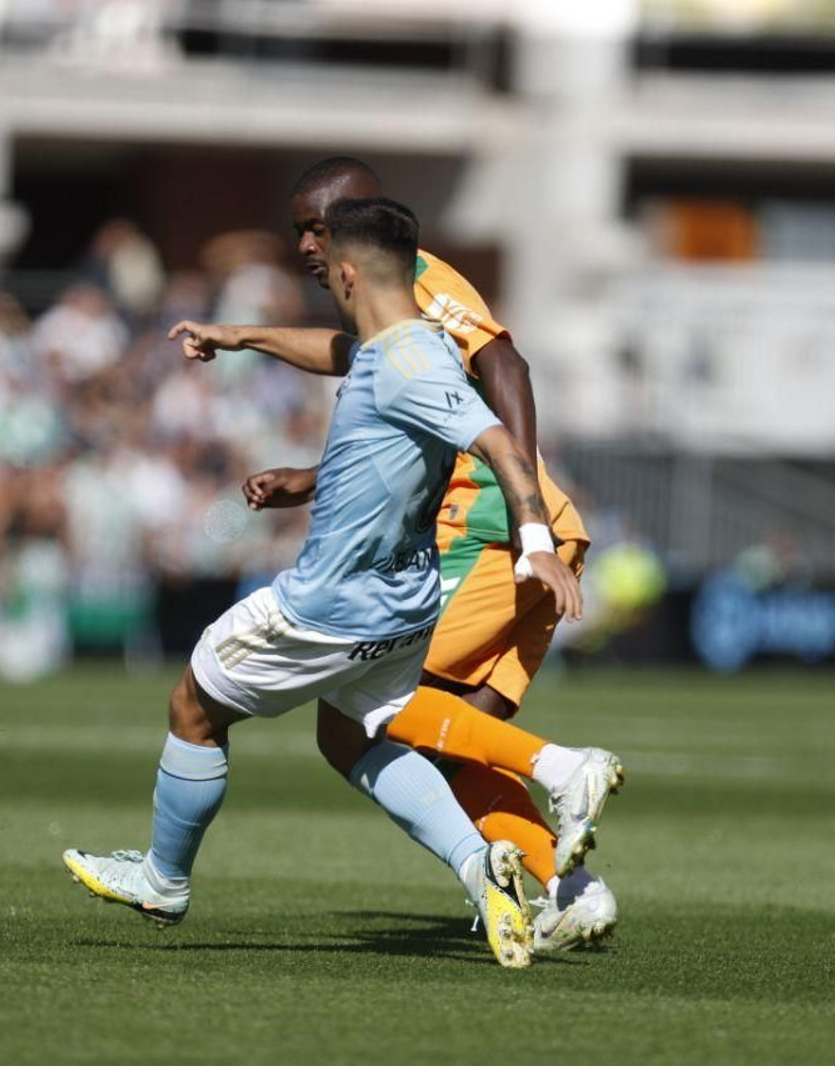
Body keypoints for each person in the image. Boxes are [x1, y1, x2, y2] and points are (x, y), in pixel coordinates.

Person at [62, 198, 582, 969]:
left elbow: (501, 444)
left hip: (328, 606)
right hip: (404, 610)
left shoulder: (406, 363)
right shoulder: (412, 343)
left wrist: (535, 537)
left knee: (193, 707)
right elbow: (347, 360)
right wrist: (242, 340)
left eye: (321, 252)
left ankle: (163, 881)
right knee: (351, 737)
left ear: (346, 270)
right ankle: (483, 870)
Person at [243, 158, 619, 950]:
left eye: (317, 226)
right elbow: (383, 388)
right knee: (437, 740)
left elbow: (503, 366)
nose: (306, 245)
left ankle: (565, 769)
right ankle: (568, 889)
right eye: (299, 230)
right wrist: (308, 476)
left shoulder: (418, 277)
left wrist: (528, 528)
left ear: (361, 219)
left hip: (492, 526)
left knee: (353, 709)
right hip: (515, 528)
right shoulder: (383, 308)